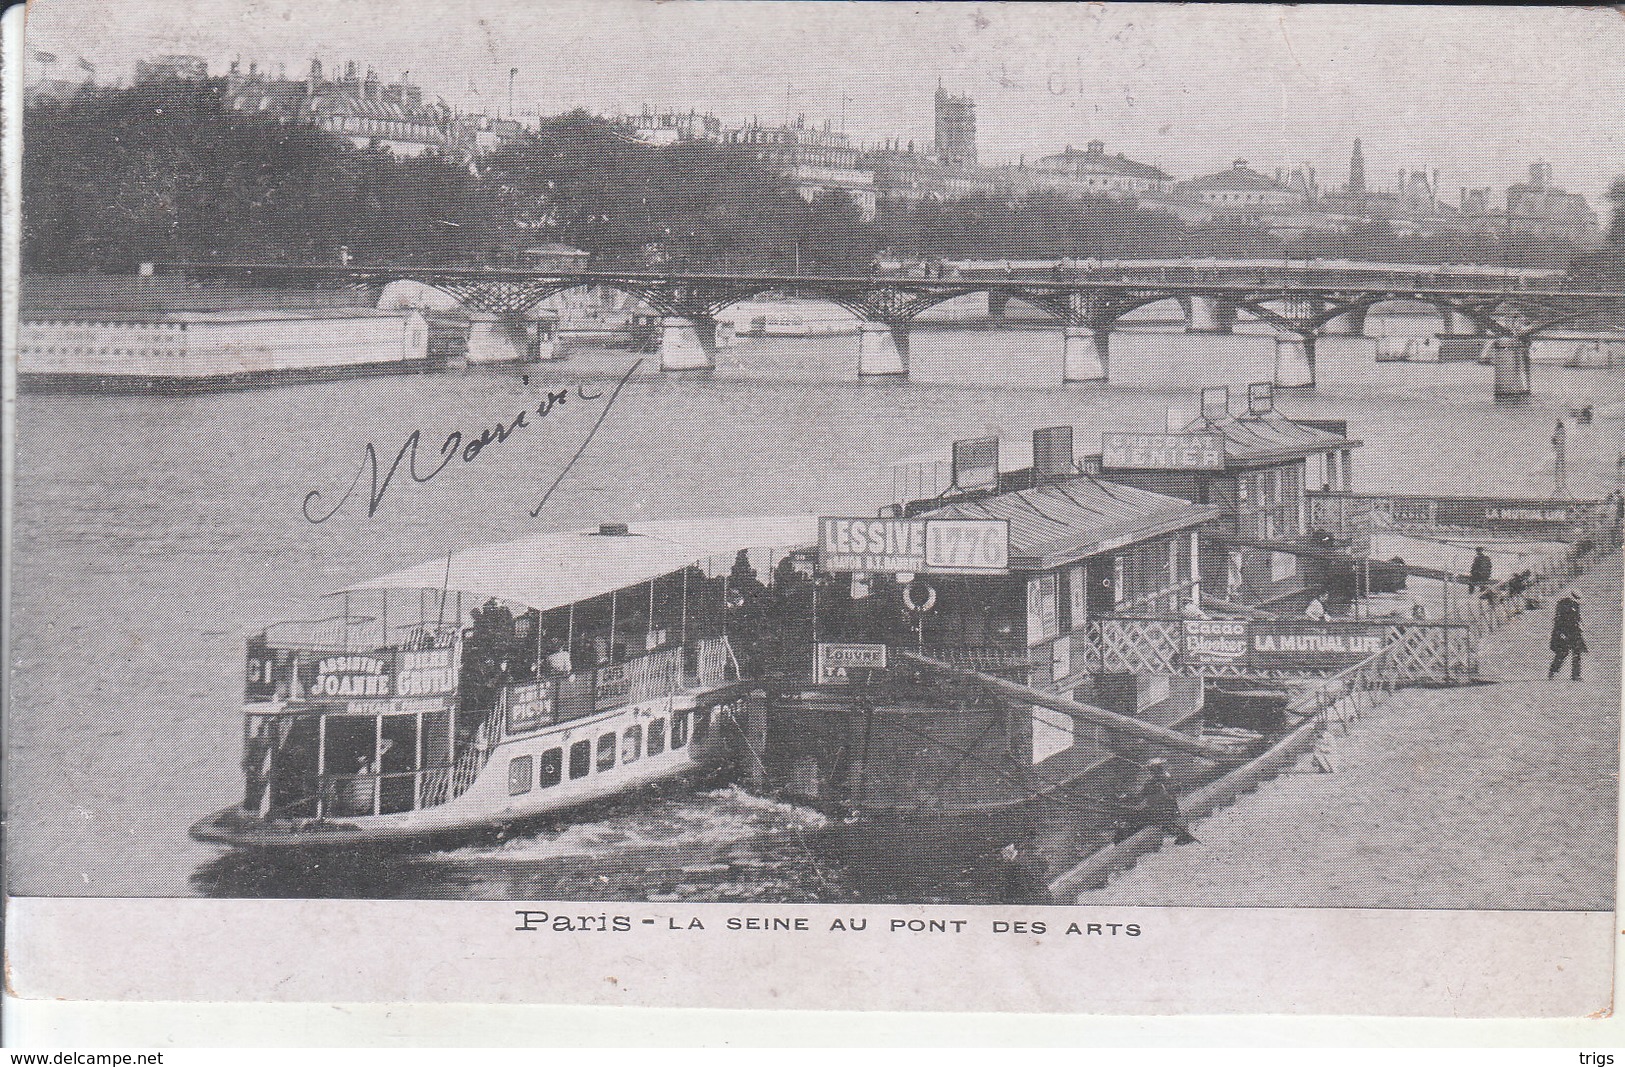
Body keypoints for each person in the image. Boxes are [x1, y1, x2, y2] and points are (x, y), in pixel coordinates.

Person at [1112, 759, 1198, 846]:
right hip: (1155, 812)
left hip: (1164, 812)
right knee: (1134, 818)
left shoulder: (1164, 780)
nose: (1153, 772)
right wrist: (1124, 798)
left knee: (1139, 819)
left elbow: (1174, 792)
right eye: (1152, 770)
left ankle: (1125, 839)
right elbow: (1138, 798)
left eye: (1155, 769)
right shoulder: (1150, 783)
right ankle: (1123, 838)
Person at [999, 829, 1052, 905]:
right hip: (1041, 895)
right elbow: (1044, 867)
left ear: (1010, 848)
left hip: (1035, 898)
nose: (1003, 856)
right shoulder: (1025, 857)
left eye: (1003, 852)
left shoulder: (1016, 863)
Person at [1549, 590, 1586, 681]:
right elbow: (1559, 621)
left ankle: (1576, 675)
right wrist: (1561, 633)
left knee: (1577, 653)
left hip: (1574, 632)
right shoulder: (1563, 605)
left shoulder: (1575, 605)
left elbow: (1577, 618)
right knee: (1562, 653)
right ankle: (1553, 671)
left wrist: (1580, 625)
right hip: (1564, 632)